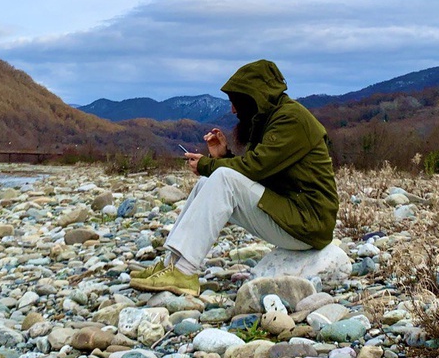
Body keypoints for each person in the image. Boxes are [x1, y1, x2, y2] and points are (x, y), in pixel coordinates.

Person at [129, 59, 339, 296]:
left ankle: (185, 273)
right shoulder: (273, 119)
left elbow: (254, 168)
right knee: (207, 181)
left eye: (236, 102)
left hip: (308, 224)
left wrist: (211, 163)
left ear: (255, 96)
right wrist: (223, 156)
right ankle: (171, 266)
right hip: (292, 215)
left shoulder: (292, 119)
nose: (233, 110)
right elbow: (259, 174)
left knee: (222, 178)